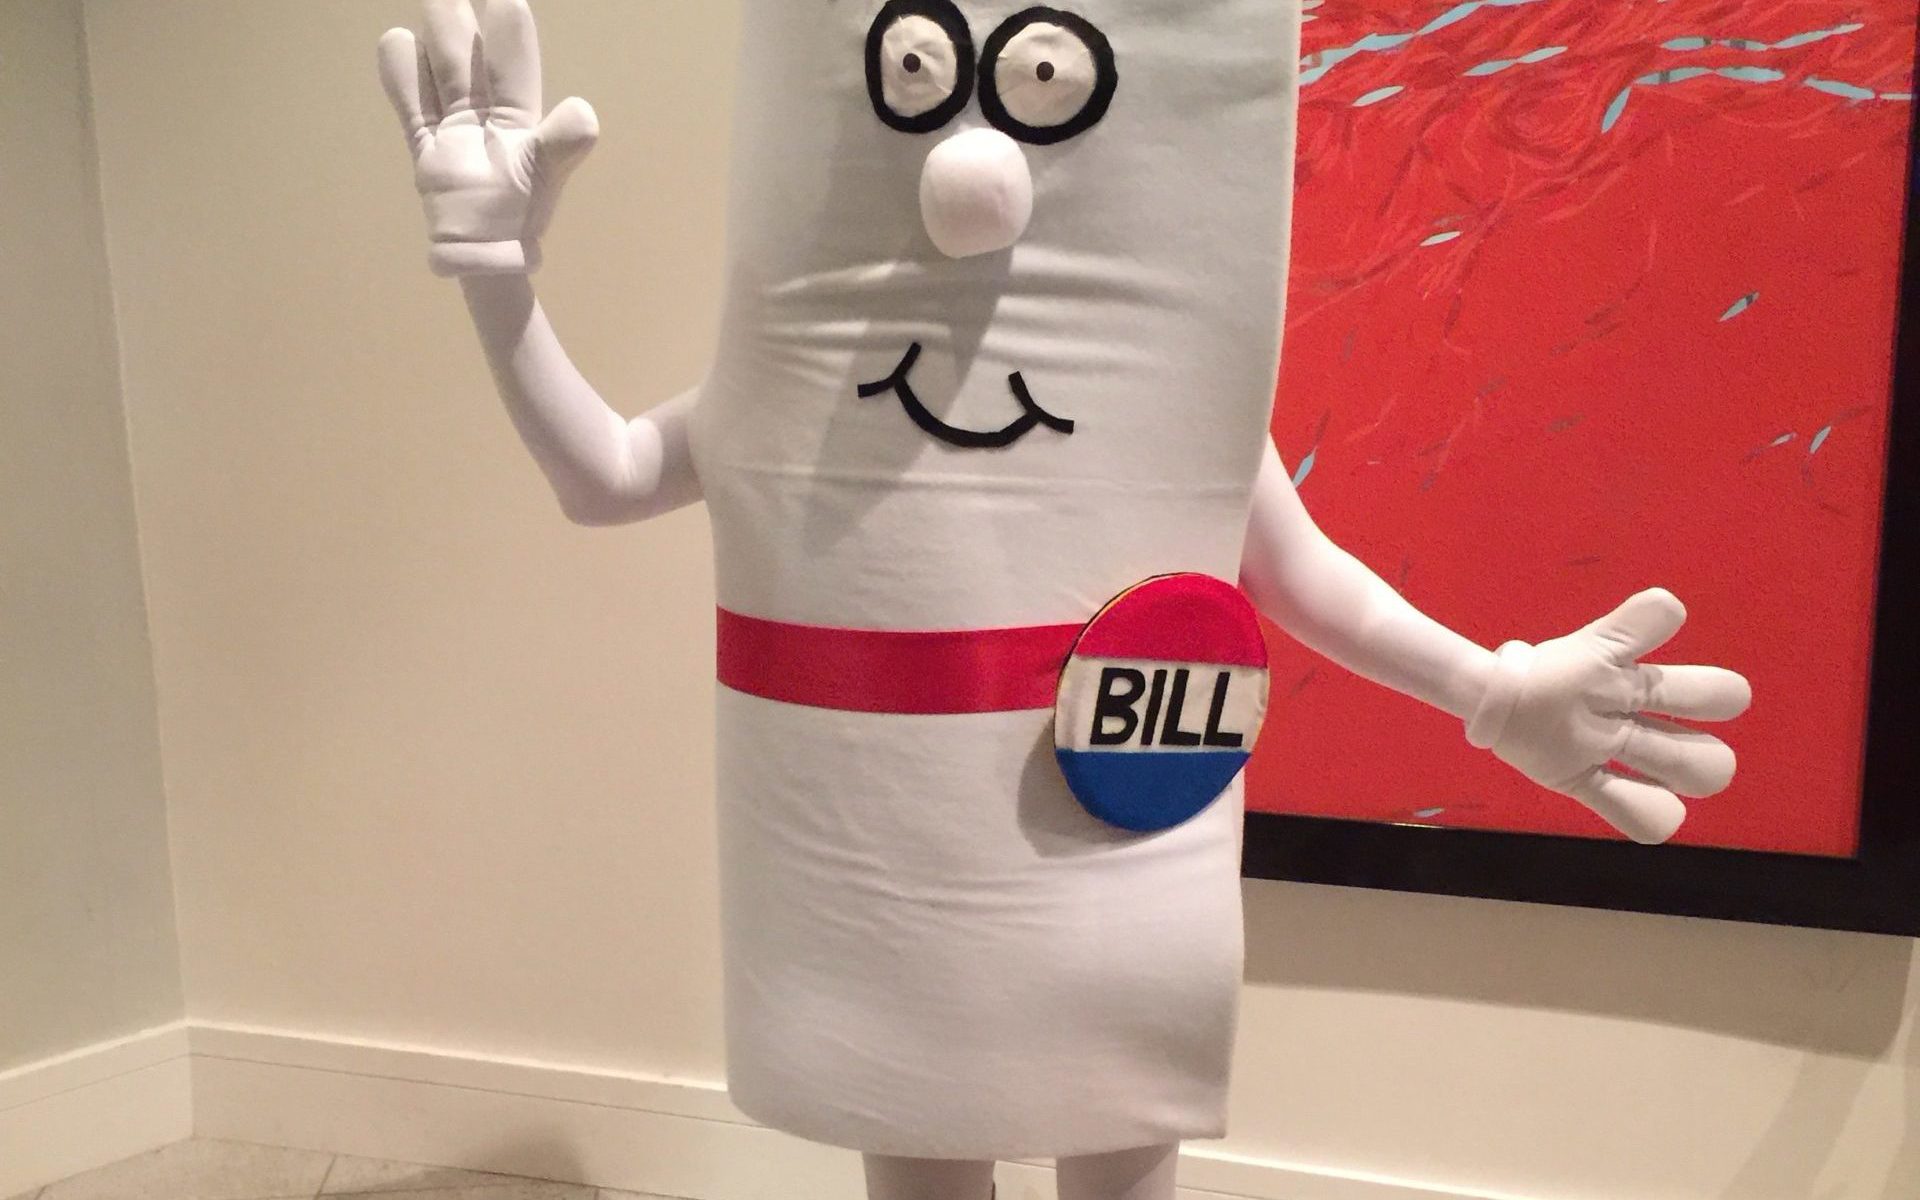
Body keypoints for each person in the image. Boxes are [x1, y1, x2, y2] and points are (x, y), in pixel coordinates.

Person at [372, 3, 1751, 1198]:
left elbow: (1303, 572)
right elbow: (606, 475)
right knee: (918, 1157)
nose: (975, 179)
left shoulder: (1166, 405)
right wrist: (494, 281)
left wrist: (1495, 690)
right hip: (876, 882)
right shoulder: (786, 388)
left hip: (1115, 880)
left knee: (1120, 1145)